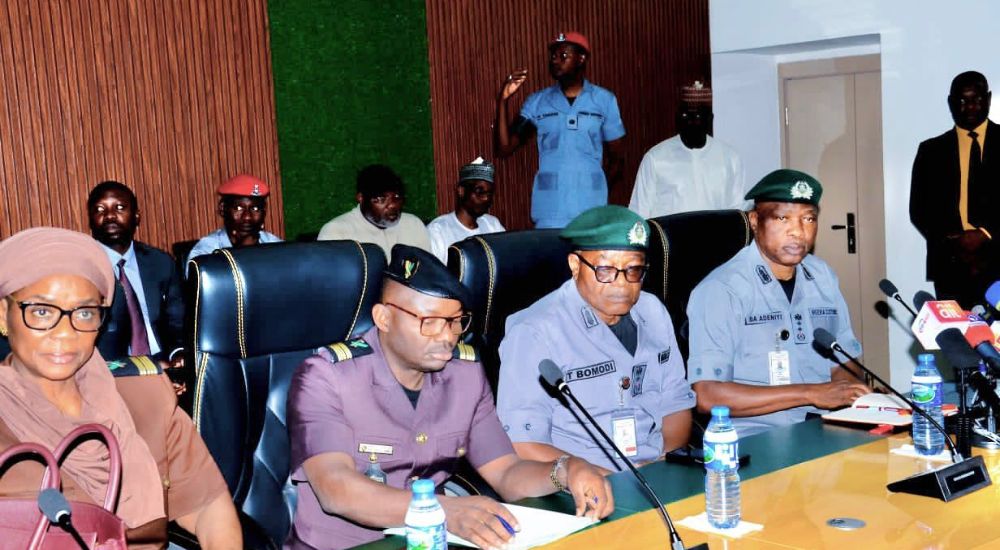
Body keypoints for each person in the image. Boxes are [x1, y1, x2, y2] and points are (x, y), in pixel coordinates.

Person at [285, 244, 613, 550]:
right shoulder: (327, 376)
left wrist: (564, 469)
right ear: (384, 318)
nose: (447, 337)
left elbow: (505, 472)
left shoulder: (464, 375)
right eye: (430, 322)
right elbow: (335, 488)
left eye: (456, 322)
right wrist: (446, 510)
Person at [0, 227, 241, 549]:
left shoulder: (146, 397)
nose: (65, 332)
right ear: (3, 315)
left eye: (84, 313)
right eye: (42, 312)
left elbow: (209, 508)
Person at [496, 206, 695, 472]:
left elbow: (676, 404)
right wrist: (609, 480)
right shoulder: (535, 331)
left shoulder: (653, 312)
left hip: (655, 471)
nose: (622, 285)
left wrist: (663, 463)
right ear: (575, 265)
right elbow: (523, 443)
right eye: (605, 271)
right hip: (582, 482)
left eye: (634, 270)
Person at [686, 169, 871, 437]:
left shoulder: (822, 276)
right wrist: (811, 394)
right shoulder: (722, 290)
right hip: (757, 436)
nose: (798, 232)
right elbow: (707, 395)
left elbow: (845, 362)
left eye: (808, 219)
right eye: (783, 218)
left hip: (827, 427)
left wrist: (849, 392)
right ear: (754, 221)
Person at [495, 32, 625, 229]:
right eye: (553, 56)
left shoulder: (604, 100)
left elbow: (617, 159)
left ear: (581, 58)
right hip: (550, 211)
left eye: (563, 55)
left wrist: (596, 189)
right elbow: (504, 147)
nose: (555, 61)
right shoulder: (538, 102)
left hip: (591, 212)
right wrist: (503, 100)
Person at [910, 71, 1000, 309]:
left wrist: (985, 234)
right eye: (962, 100)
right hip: (951, 264)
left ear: (988, 99)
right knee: (955, 332)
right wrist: (957, 241)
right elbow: (919, 209)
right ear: (950, 103)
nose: (970, 106)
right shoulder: (930, 151)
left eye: (976, 99)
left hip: (998, 262)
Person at [87, 181, 185, 368]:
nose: (110, 216)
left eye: (119, 208)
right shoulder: (83, 269)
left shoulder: (160, 262)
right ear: (91, 220)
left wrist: (178, 355)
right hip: (111, 367)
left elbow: (178, 322)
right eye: (100, 209)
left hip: (163, 362)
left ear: (136, 216)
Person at [629, 81, 747, 218]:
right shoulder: (655, 158)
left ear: (709, 119)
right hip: (669, 233)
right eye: (685, 116)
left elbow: (736, 212)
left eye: (697, 117)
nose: (691, 122)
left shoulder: (730, 158)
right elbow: (639, 212)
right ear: (677, 118)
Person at [317, 164, 431, 259]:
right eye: (381, 199)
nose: (392, 205)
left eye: (396, 197)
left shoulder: (413, 225)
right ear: (361, 198)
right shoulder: (336, 233)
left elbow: (429, 273)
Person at [187, 174, 282, 268]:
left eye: (255, 209)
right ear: (223, 209)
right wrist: (243, 252)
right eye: (238, 208)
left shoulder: (275, 245)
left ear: (264, 211)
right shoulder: (204, 253)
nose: (247, 217)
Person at [427, 157, 506, 263]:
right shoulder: (438, 231)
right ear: (461, 191)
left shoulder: (493, 225)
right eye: (479, 191)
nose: (486, 198)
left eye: (489, 193)